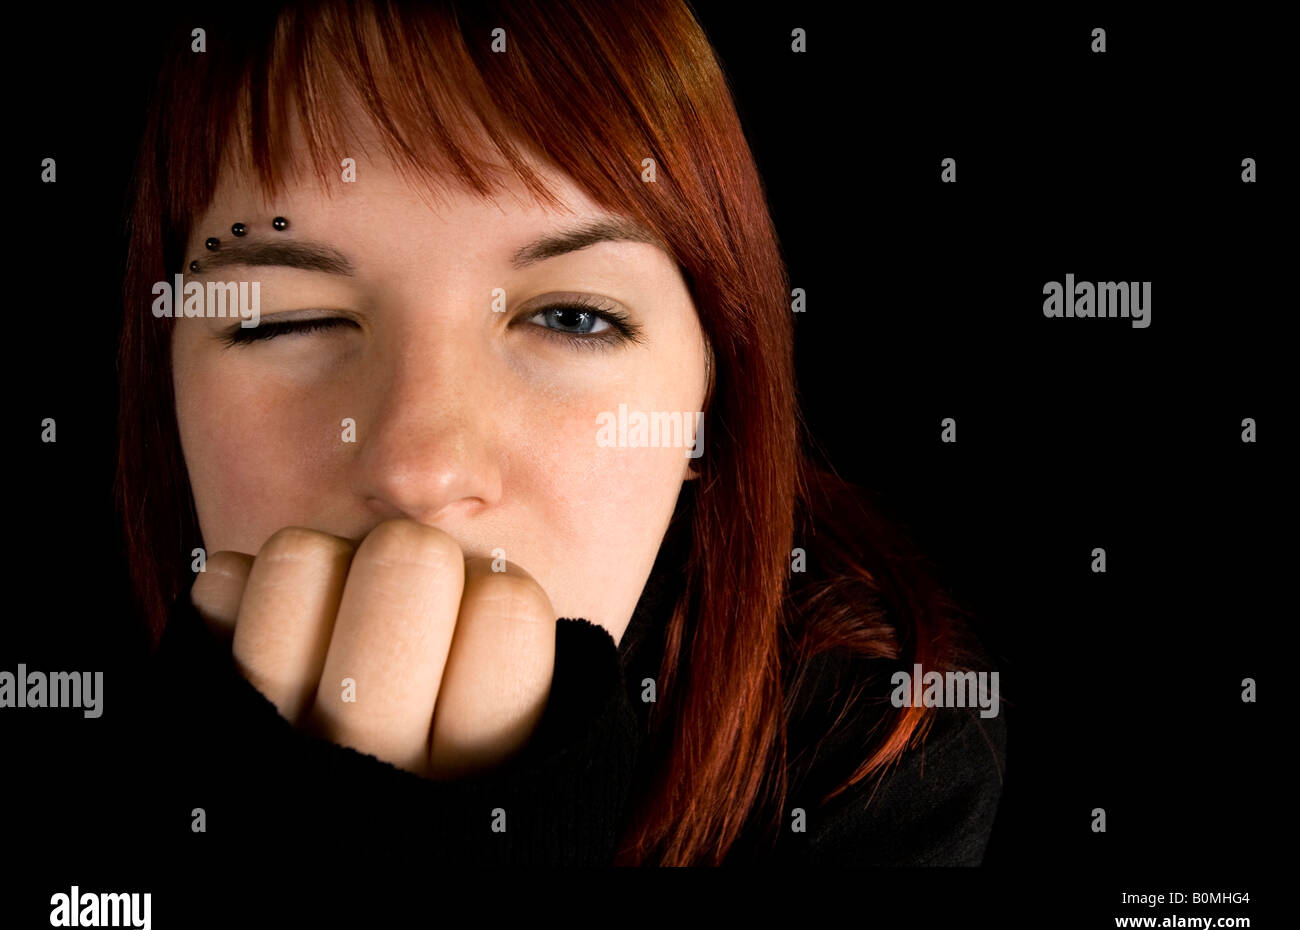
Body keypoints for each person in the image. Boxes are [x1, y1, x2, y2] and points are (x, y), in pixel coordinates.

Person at [115, 0, 1005, 867]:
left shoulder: (878, 767)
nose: (421, 469)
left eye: (574, 318)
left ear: (710, 404)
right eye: (285, 321)